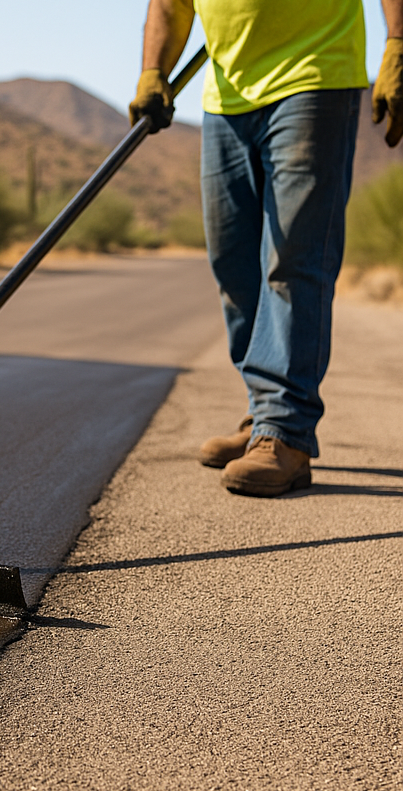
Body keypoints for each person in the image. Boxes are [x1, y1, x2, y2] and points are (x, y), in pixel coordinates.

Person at [129, 0, 403, 497]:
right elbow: (170, 4)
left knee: (292, 260)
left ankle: (286, 431)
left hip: (313, 77)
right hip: (226, 98)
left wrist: (398, 42)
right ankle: (262, 412)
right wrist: (153, 71)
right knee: (233, 262)